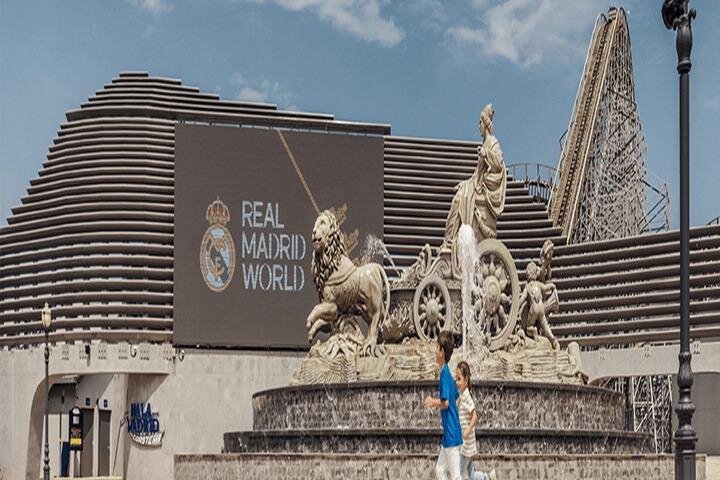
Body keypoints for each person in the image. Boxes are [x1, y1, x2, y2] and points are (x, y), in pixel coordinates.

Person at [424, 331, 463, 480]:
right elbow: (457, 398)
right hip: (450, 434)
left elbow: (446, 403)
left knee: (456, 476)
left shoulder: (445, 375)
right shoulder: (448, 374)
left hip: (452, 435)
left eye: (436, 348)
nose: (435, 351)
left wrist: (432, 402)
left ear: (441, 352)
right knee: (440, 470)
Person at [455, 361, 497, 480]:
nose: (457, 382)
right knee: (471, 474)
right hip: (466, 443)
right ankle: (487, 477)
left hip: (466, 444)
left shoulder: (467, 397)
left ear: (466, 380)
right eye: (456, 379)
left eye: (459, 379)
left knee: (457, 473)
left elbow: (475, 417)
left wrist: (468, 430)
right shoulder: (462, 395)